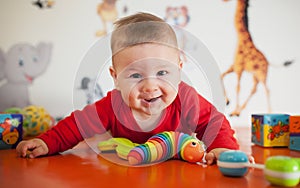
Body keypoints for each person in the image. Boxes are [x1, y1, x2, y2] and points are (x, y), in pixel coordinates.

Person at [16, 12, 240, 165]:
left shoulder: (187, 99)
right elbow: (77, 125)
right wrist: (46, 142)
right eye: (135, 75)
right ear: (116, 77)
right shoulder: (113, 105)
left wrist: (223, 150)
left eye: (162, 73)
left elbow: (215, 124)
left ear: (179, 69)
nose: (150, 86)